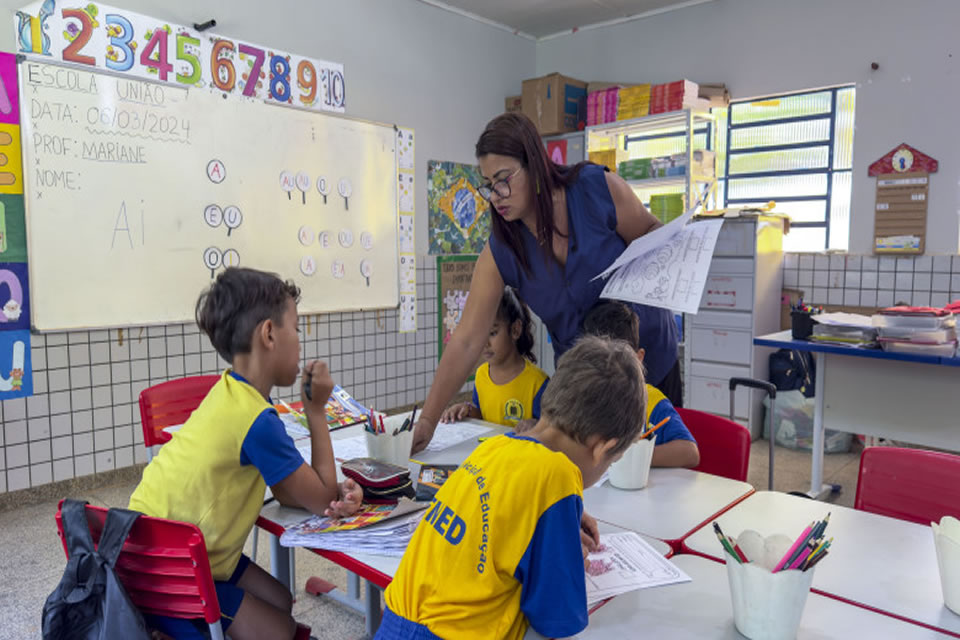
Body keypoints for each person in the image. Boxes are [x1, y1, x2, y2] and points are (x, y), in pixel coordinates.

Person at [412, 112, 680, 453]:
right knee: (595, 474)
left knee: (658, 467)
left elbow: (652, 232)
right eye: (488, 185)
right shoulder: (503, 248)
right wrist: (427, 421)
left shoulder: (596, 190)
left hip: (648, 356)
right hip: (586, 380)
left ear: (535, 165)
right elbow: (466, 338)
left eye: (503, 179)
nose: (496, 195)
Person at [128, 267, 363, 640]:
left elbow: (288, 490)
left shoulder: (231, 392)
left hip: (151, 544)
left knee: (281, 600)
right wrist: (316, 411)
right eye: (296, 330)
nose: (300, 344)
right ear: (269, 333)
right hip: (169, 567)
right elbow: (320, 500)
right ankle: (166, 630)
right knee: (282, 630)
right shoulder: (256, 419)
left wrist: (320, 487)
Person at [377, 336, 646, 640]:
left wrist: (559, 525)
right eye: (611, 462)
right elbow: (556, 619)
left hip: (395, 623)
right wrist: (567, 557)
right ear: (602, 448)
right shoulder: (558, 476)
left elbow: (498, 522)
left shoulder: (493, 447)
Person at [582, 300, 700, 468]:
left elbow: (690, 453)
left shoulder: (649, 401)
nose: (607, 374)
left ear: (639, 358)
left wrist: (634, 456)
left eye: (617, 362)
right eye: (598, 363)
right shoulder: (584, 401)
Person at [440, 286, 548, 428]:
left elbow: (552, 429)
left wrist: (536, 425)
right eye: (480, 334)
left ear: (515, 330)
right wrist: (467, 410)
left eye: (492, 333)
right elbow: (482, 415)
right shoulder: (481, 375)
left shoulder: (538, 383)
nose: (484, 343)